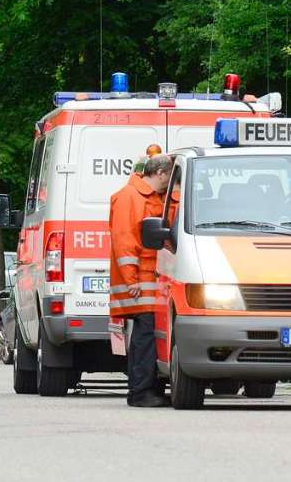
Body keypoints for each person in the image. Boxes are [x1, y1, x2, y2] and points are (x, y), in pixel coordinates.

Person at [108, 153, 174, 408]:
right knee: (144, 337)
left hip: (148, 279)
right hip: (139, 282)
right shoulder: (130, 197)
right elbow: (124, 241)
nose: (169, 184)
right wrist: (131, 279)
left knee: (146, 335)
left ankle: (145, 390)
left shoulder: (144, 196)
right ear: (160, 173)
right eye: (169, 177)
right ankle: (140, 392)